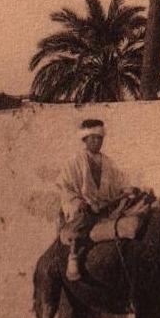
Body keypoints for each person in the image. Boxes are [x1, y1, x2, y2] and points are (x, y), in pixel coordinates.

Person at [56, 119, 137, 281]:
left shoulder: (109, 163)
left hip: (106, 208)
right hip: (84, 209)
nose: (96, 142)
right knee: (82, 222)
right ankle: (73, 256)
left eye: (99, 138)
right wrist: (82, 203)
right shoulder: (74, 163)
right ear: (84, 139)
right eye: (92, 138)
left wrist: (127, 190)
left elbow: (120, 183)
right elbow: (65, 187)